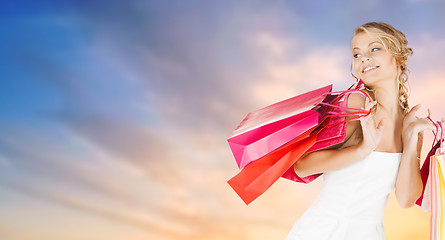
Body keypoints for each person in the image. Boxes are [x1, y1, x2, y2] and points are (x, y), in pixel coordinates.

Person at [285, 22, 444, 240]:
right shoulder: (357, 103)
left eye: (375, 49)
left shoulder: (410, 123)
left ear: (397, 57)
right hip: (323, 231)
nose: (363, 59)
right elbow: (302, 166)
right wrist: (364, 148)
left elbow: (406, 199)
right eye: (357, 54)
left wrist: (409, 137)